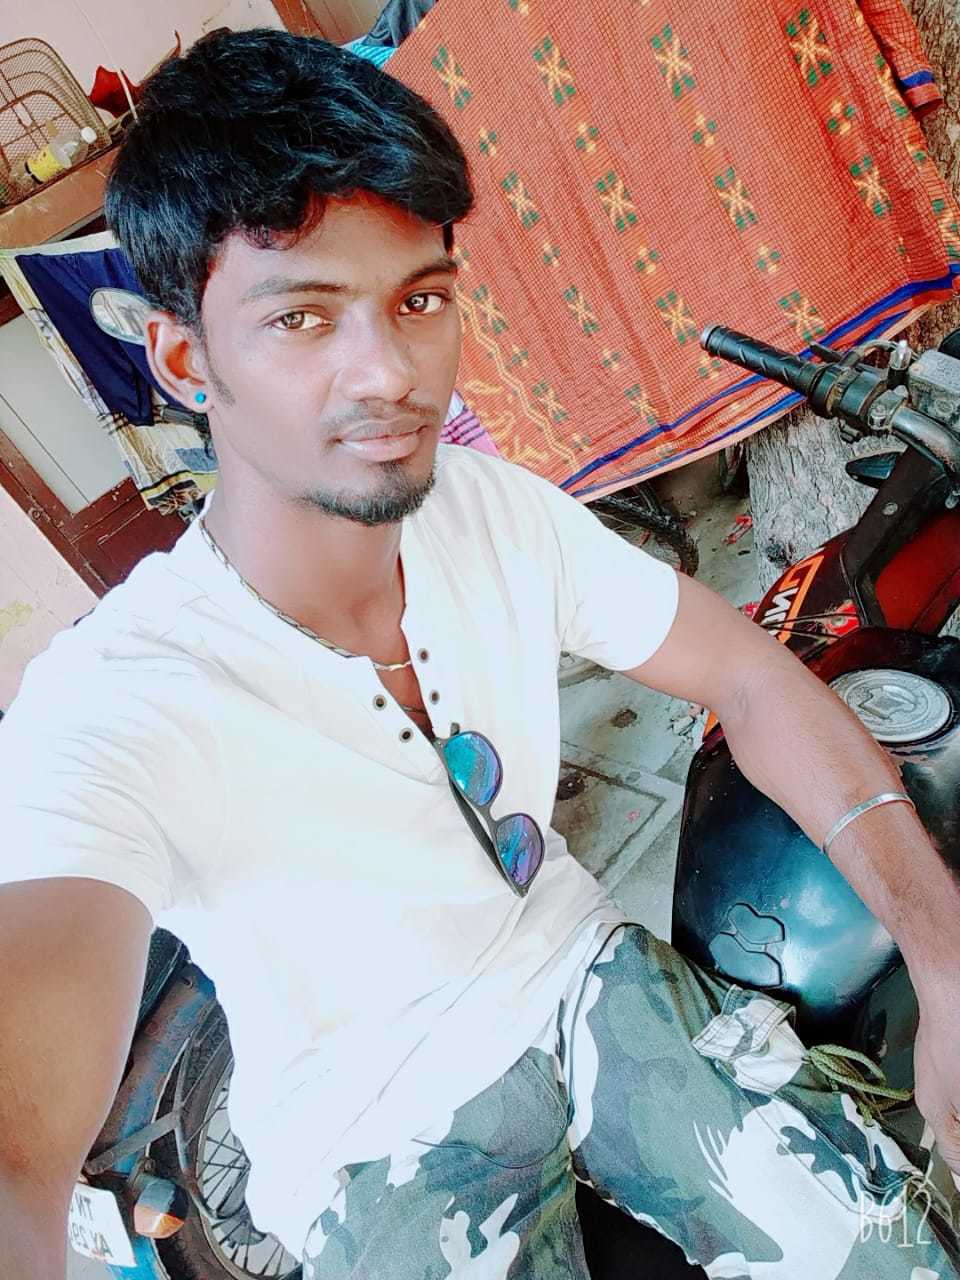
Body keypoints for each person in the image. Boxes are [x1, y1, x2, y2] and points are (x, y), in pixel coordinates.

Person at [0, 29, 957, 1280]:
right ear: (187, 360)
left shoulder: (492, 510)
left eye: (421, 299)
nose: (390, 372)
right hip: (371, 1135)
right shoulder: (113, 701)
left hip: (581, 972)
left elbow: (748, 671)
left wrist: (943, 946)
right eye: (303, 315)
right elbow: (20, 1126)